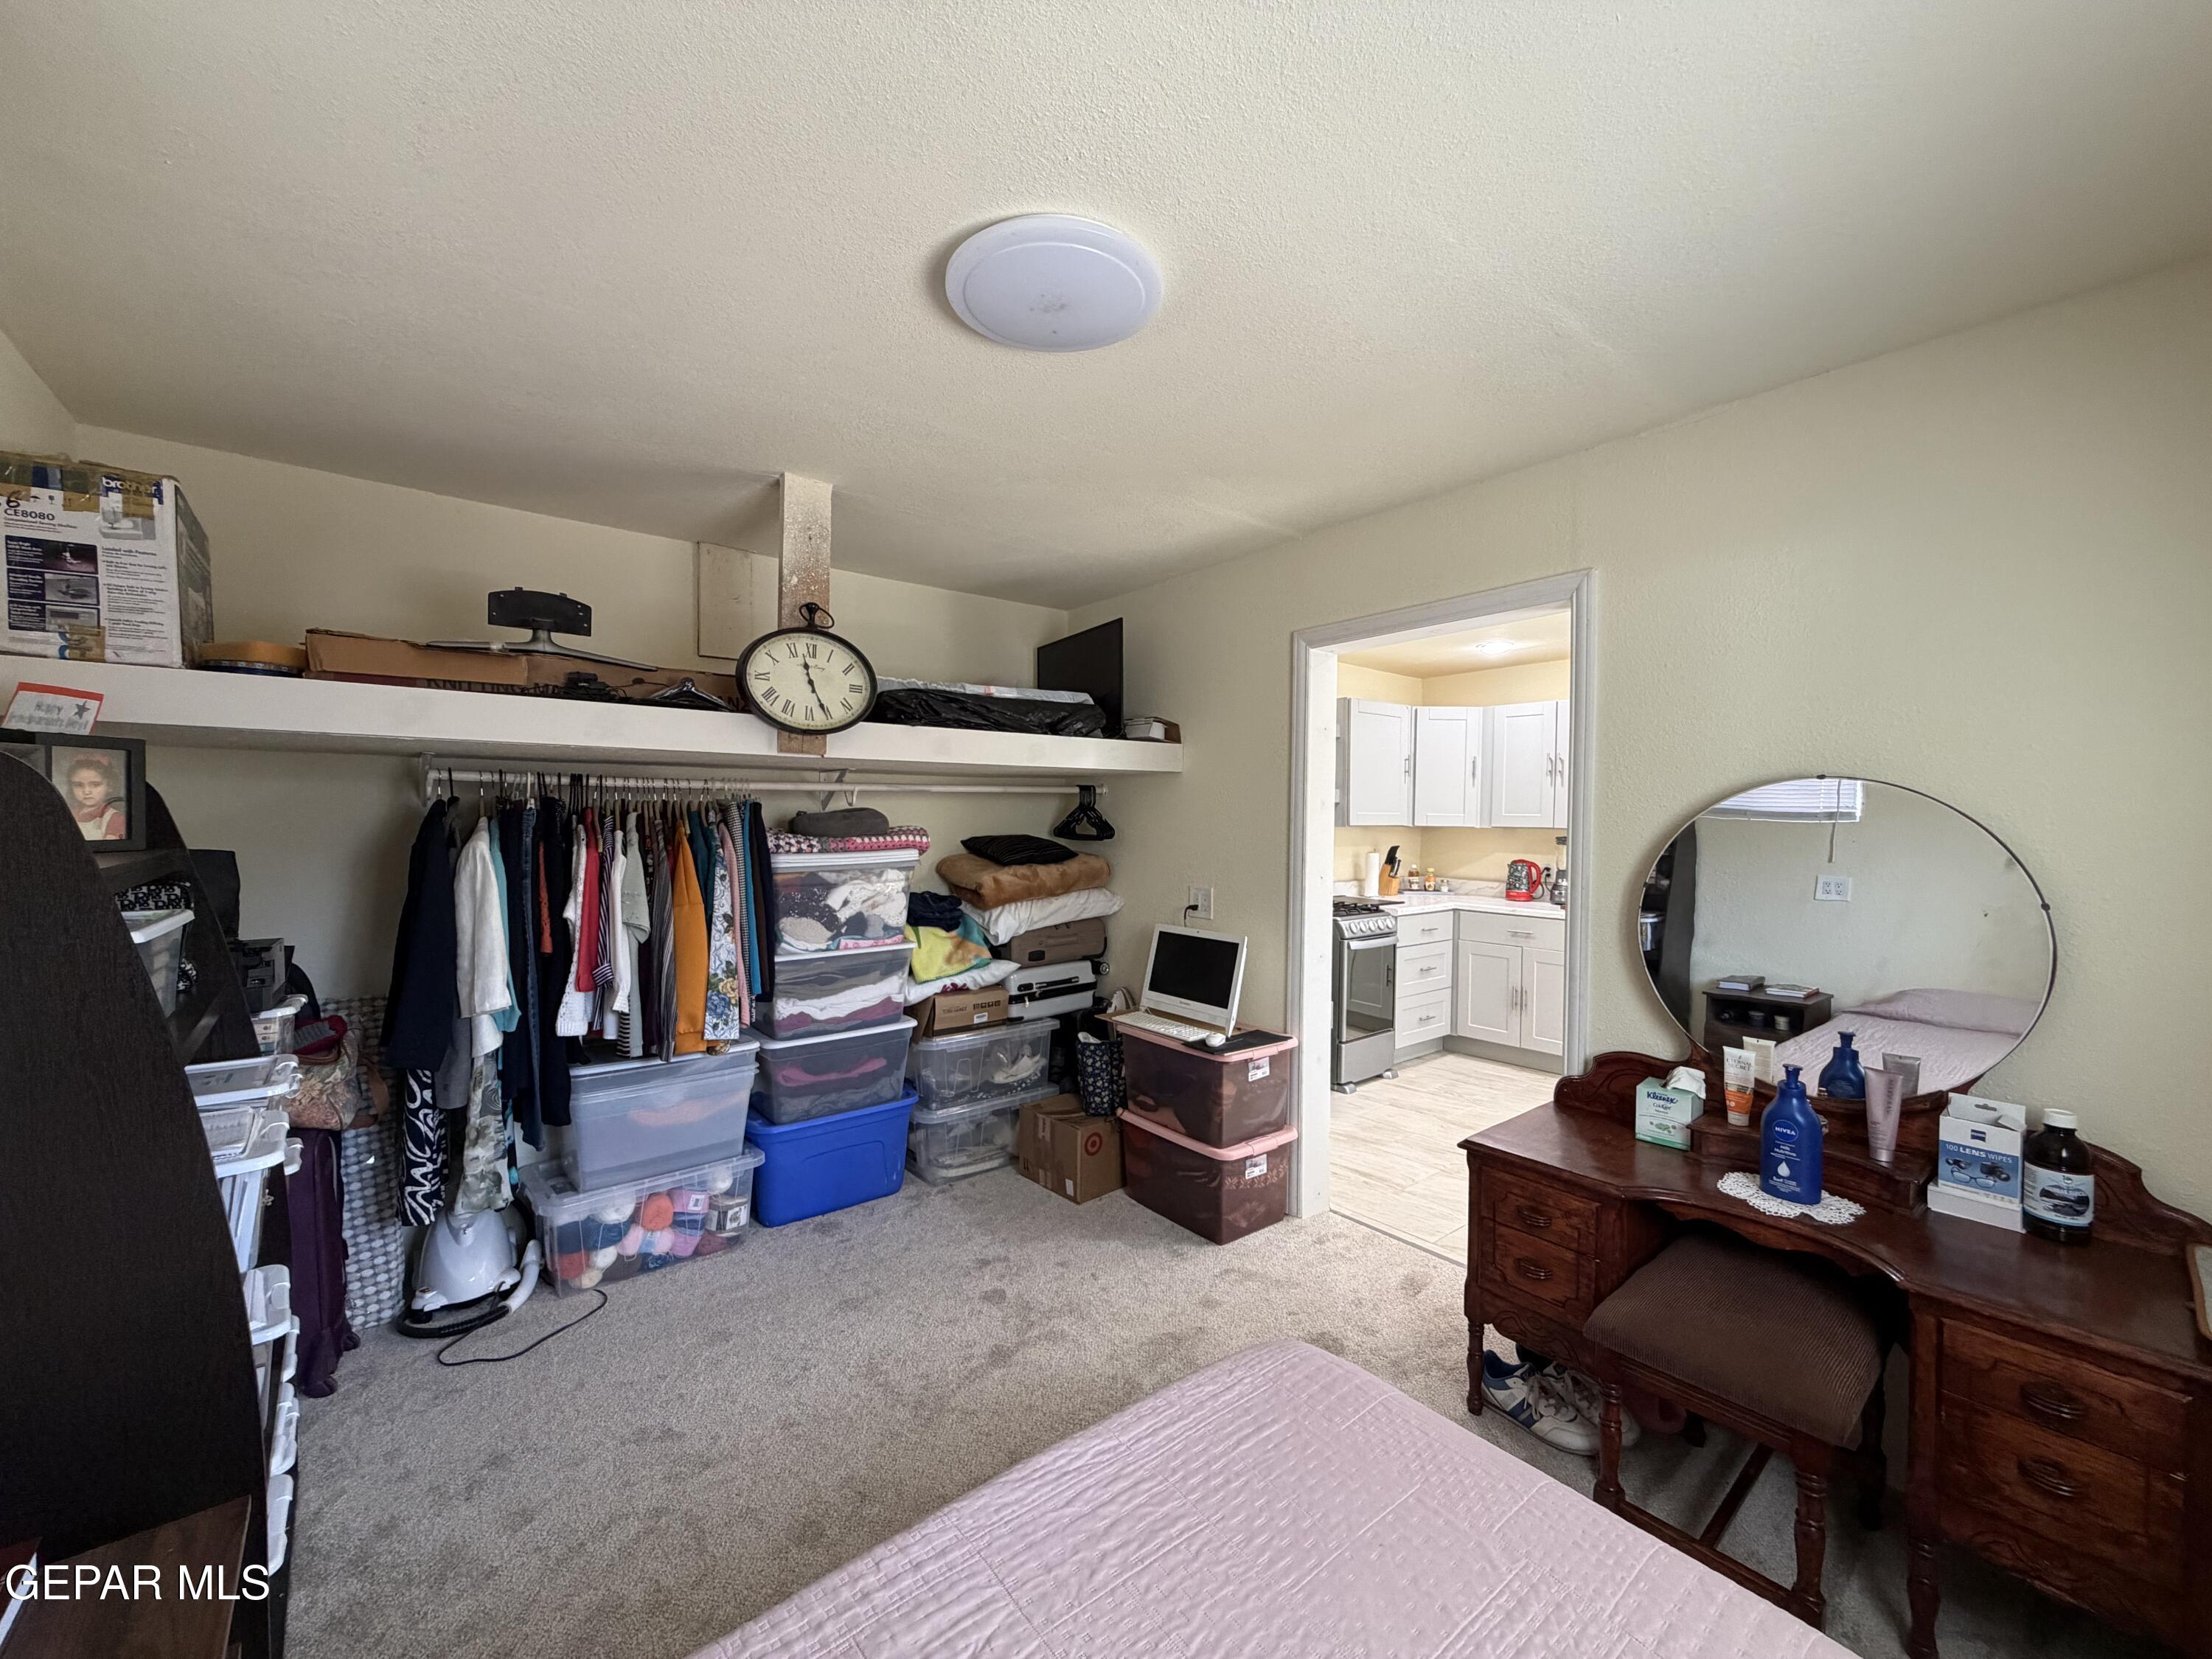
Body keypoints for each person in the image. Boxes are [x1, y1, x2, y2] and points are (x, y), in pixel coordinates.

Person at [63, 751, 127, 841]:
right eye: (79, 785)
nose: (86, 791)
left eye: (95, 785)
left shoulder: (114, 819)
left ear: (110, 786)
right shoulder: (69, 814)